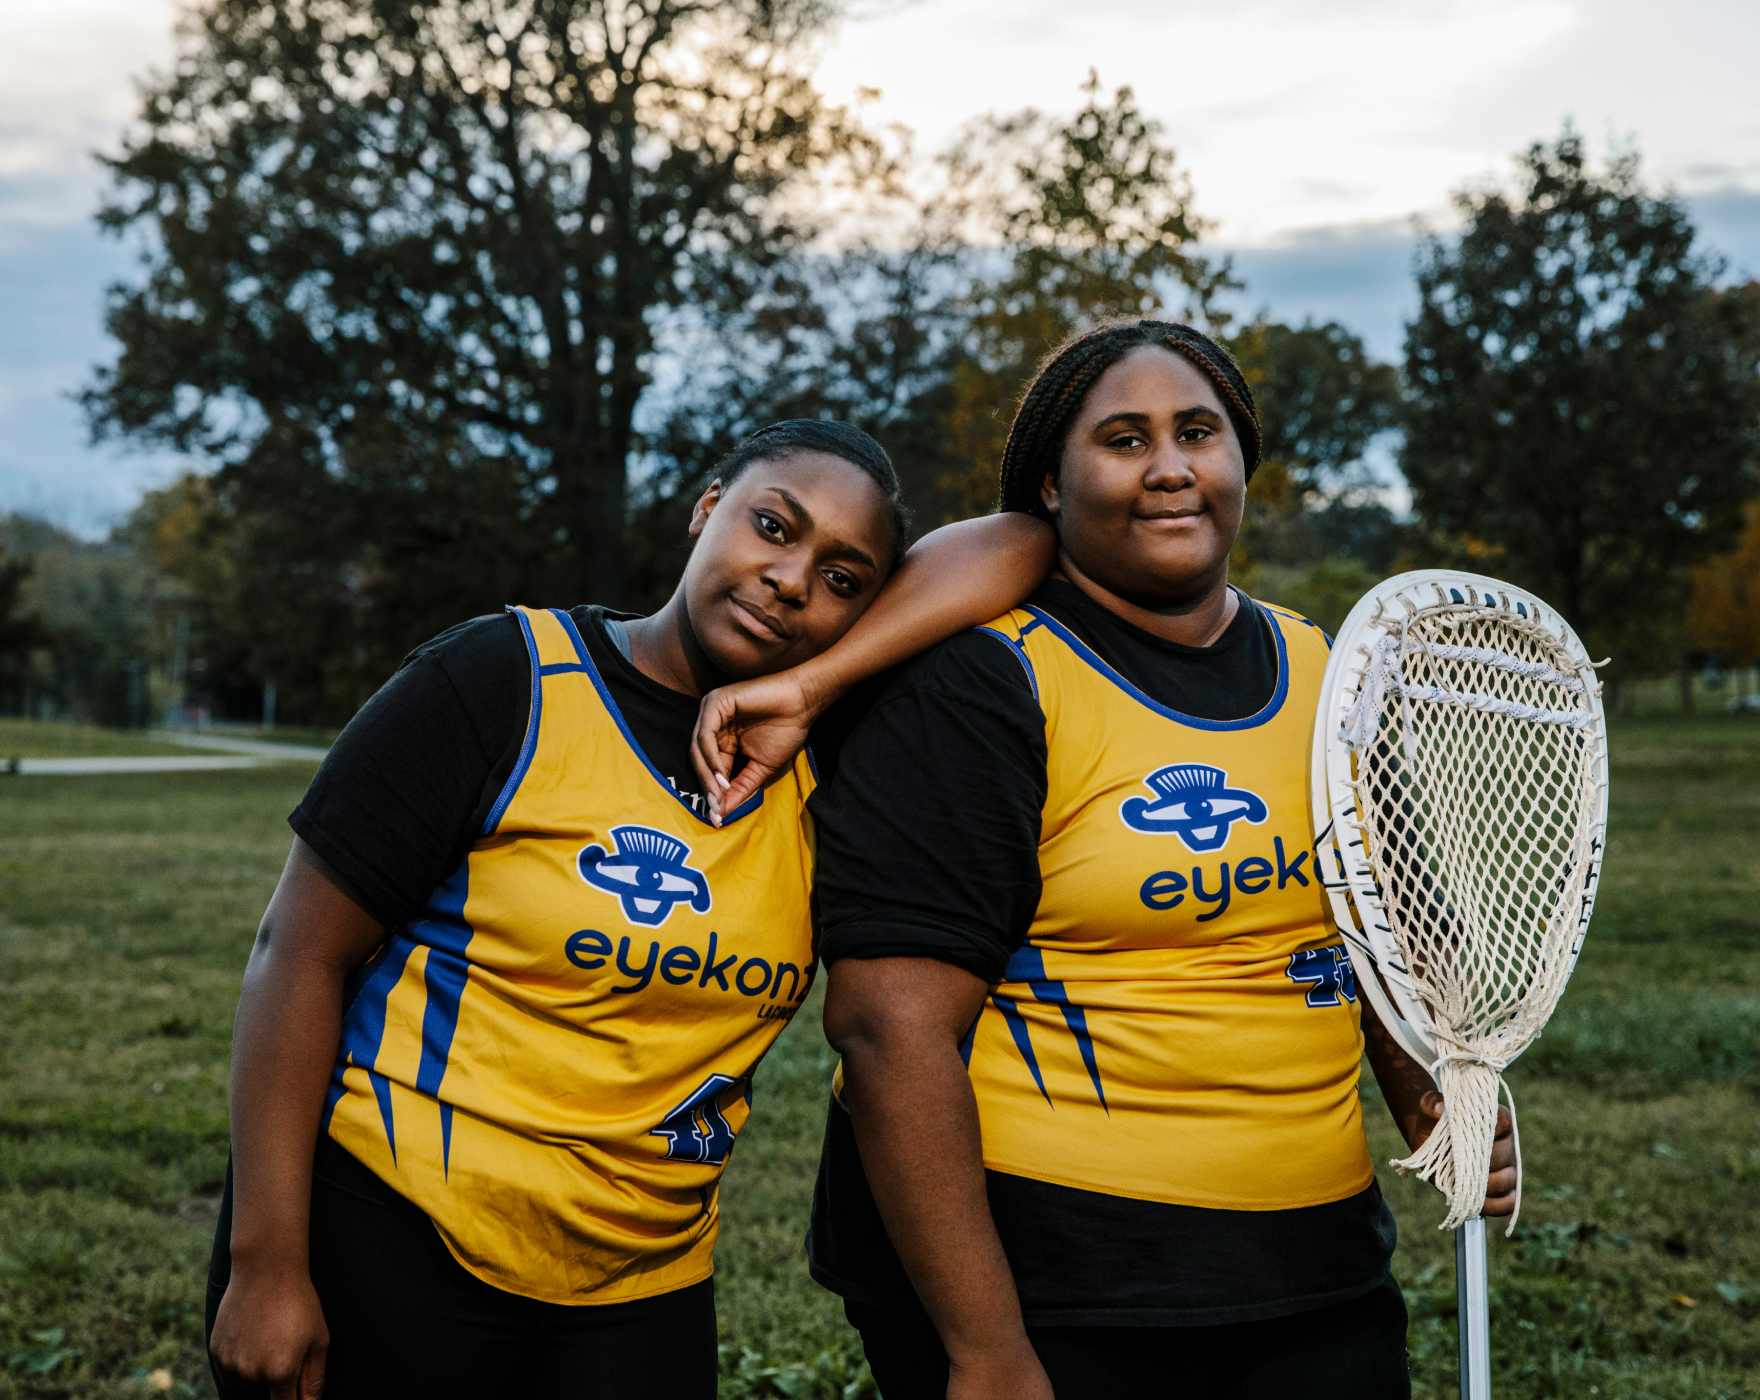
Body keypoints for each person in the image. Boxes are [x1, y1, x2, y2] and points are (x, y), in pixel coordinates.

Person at [204, 418, 1055, 1400]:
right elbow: (296, 955)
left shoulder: (832, 758)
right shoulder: (502, 676)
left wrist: (814, 684)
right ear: (705, 509)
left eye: (842, 578)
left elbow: (1023, 541)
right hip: (393, 1229)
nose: (790, 579)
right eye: (771, 526)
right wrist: (265, 1264)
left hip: (642, 1281)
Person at [744, 324, 1518, 1399]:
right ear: (1050, 491)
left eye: (1196, 432)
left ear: (1239, 461)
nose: (1168, 466)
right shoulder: (975, 681)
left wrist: (1436, 1095)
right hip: (1056, 1283)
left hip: (1317, 1266)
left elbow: (1380, 935)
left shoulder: (1323, 671)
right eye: (1121, 438)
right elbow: (888, 1029)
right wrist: (985, 1347)